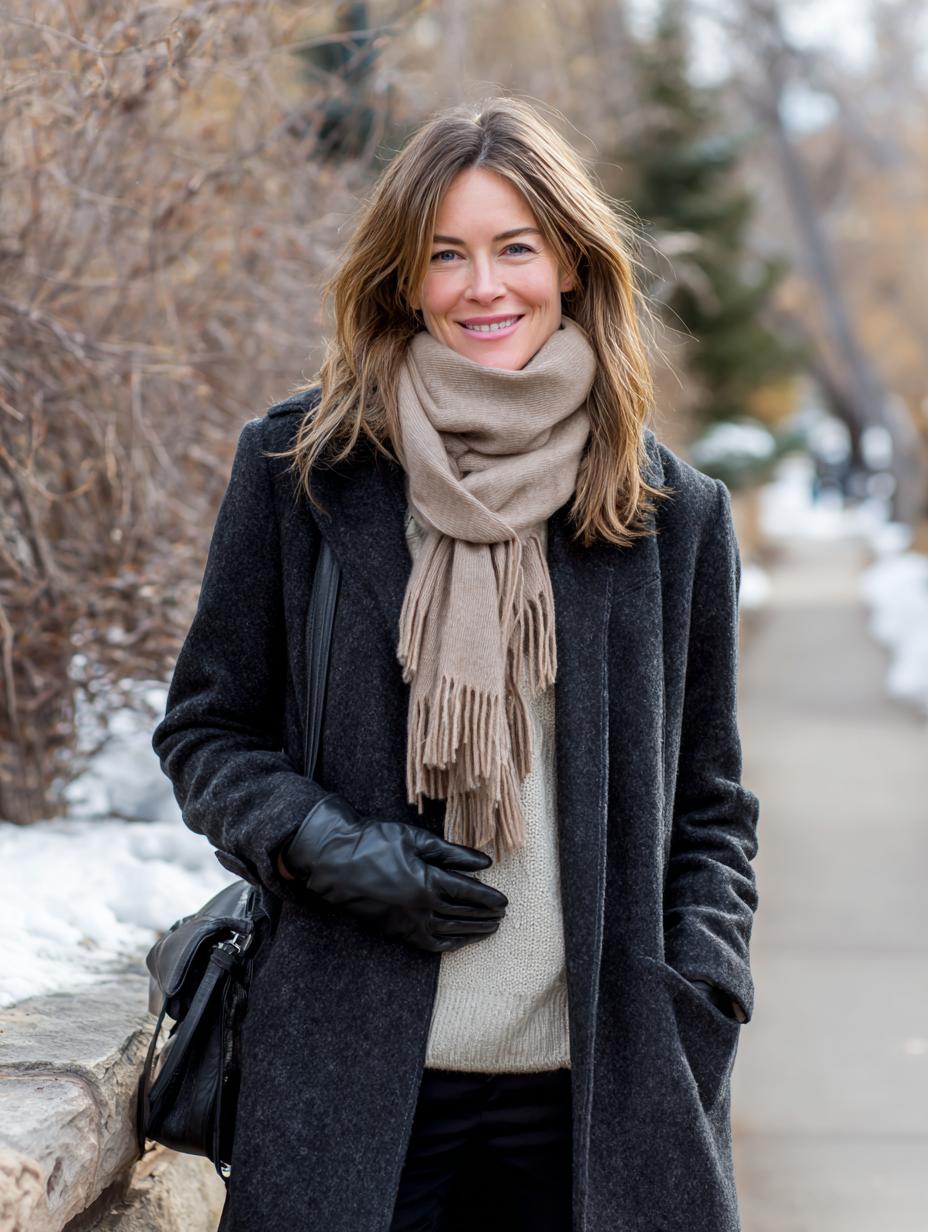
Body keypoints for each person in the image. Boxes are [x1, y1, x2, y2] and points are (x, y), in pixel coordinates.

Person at [152, 96, 760, 1232]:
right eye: (446, 254)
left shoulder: (669, 513)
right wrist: (326, 844)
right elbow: (206, 730)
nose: (484, 287)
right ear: (403, 276)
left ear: (570, 262)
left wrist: (704, 985)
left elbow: (711, 805)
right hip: (349, 1084)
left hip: (599, 1097)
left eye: (514, 248)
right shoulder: (304, 469)